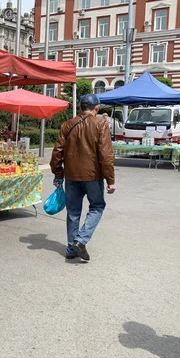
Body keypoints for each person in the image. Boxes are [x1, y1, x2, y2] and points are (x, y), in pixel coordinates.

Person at [50, 94, 116, 261]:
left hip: (72, 175)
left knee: (73, 212)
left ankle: (72, 249)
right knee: (97, 207)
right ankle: (80, 240)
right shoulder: (100, 123)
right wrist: (111, 180)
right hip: (93, 175)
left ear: (81, 107)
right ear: (97, 107)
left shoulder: (67, 125)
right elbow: (106, 154)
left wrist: (58, 174)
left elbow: (57, 153)